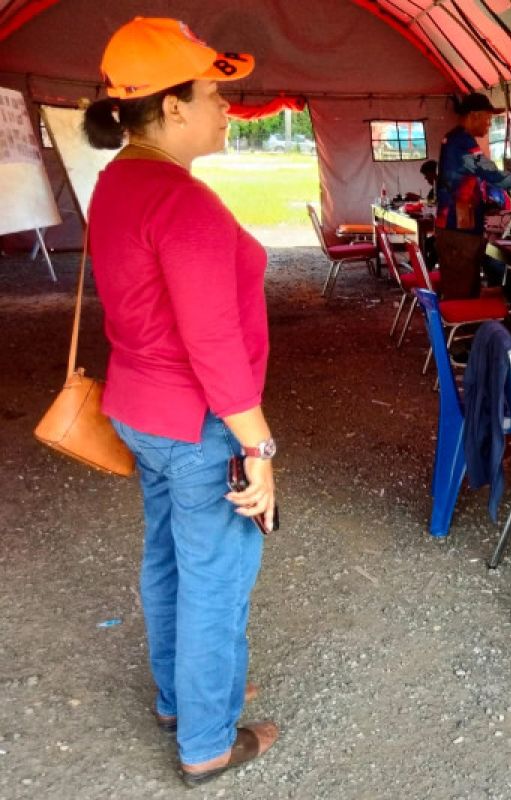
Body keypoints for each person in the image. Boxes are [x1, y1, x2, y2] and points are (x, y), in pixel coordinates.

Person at [83, 17, 279, 786]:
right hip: (198, 421)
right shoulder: (183, 203)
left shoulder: (119, 181)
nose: (228, 108)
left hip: (139, 408)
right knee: (218, 574)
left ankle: (187, 694)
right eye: (215, 95)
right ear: (169, 108)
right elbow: (214, 346)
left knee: (170, 556)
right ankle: (207, 739)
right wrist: (258, 447)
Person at [436, 92, 511, 233]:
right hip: (458, 226)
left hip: (453, 222)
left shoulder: (453, 138)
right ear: (474, 115)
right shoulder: (463, 142)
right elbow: (492, 175)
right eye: (488, 118)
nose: (490, 124)